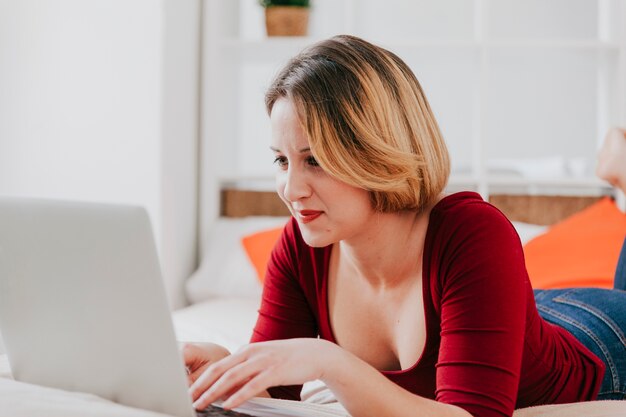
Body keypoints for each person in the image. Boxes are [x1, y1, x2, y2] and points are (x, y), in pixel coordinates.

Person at [183, 35, 626, 417]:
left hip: (601, 336)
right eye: (282, 160)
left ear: (377, 152)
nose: (291, 189)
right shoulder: (301, 247)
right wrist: (227, 371)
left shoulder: (474, 233)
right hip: (513, 310)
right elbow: (279, 395)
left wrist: (330, 361)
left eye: (315, 160)